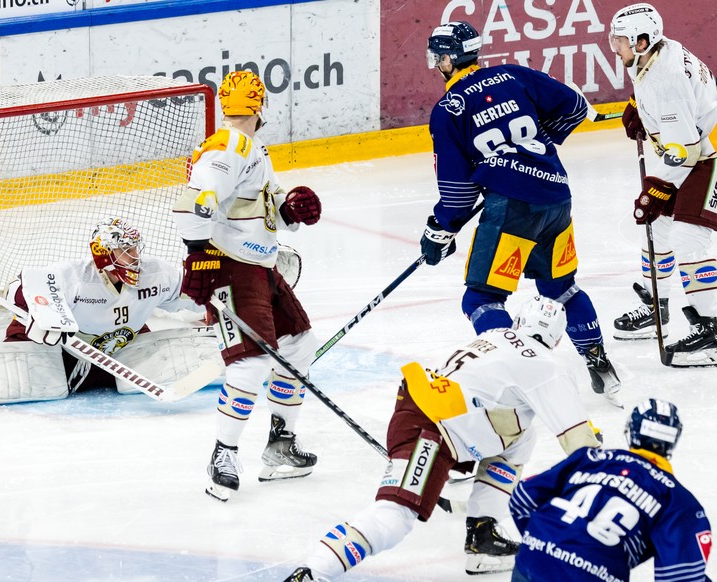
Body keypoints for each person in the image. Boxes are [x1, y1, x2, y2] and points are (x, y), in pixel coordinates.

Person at [283, 296, 602, 580]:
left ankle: (483, 532)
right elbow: (579, 441)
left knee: (521, 436)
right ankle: (315, 571)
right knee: (395, 517)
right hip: (432, 430)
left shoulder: (494, 335)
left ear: (518, 322)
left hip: (421, 410)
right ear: (557, 340)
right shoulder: (547, 365)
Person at [418, 21, 623, 401]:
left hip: (512, 209)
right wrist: (532, 146)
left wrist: (440, 229)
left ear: (450, 58)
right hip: (556, 194)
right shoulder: (512, 74)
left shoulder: (449, 109)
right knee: (562, 289)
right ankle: (601, 365)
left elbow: (458, 192)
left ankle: (520, 377)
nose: (435, 63)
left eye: (439, 56)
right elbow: (575, 107)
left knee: (481, 300)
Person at [0, 217, 222, 413]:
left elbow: (195, 294)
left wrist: (214, 306)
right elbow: (17, 289)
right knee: (35, 378)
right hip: (49, 343)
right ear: (103, 256)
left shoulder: (155, 274)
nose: (135, 257)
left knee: (134, 373)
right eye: (125, 250)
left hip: (106, 350)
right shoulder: (72, 277)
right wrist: (46, 321)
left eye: (135, 249)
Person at [172, 70, 322, 501]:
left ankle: (279, 445)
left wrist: (290, 210)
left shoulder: (251, 148)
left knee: (298, 344)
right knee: (251, 361)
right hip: (232, 266)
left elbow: (261, 206)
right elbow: (195, 201)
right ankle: (224, 453)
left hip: (260, 264)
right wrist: (199, 256)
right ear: (261, 106)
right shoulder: (230, 146)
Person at [608, 3, 717, 366]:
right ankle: (658, 306)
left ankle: (713, 330)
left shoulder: (665, 79)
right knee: (657, 225)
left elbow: (685, 150)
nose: (615, 47)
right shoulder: (656, 53)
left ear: (642, 41)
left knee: (689, 238)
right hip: (695, 149)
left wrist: (657, 188)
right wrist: (642, 110)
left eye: (620, 41)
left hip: (706, 159)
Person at [510, 398, 712, 581]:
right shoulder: (677, 500)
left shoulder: (589, 459)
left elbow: (522, 497)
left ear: (631, 432)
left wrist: (543, 541)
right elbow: (681, 576)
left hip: (532, 560)